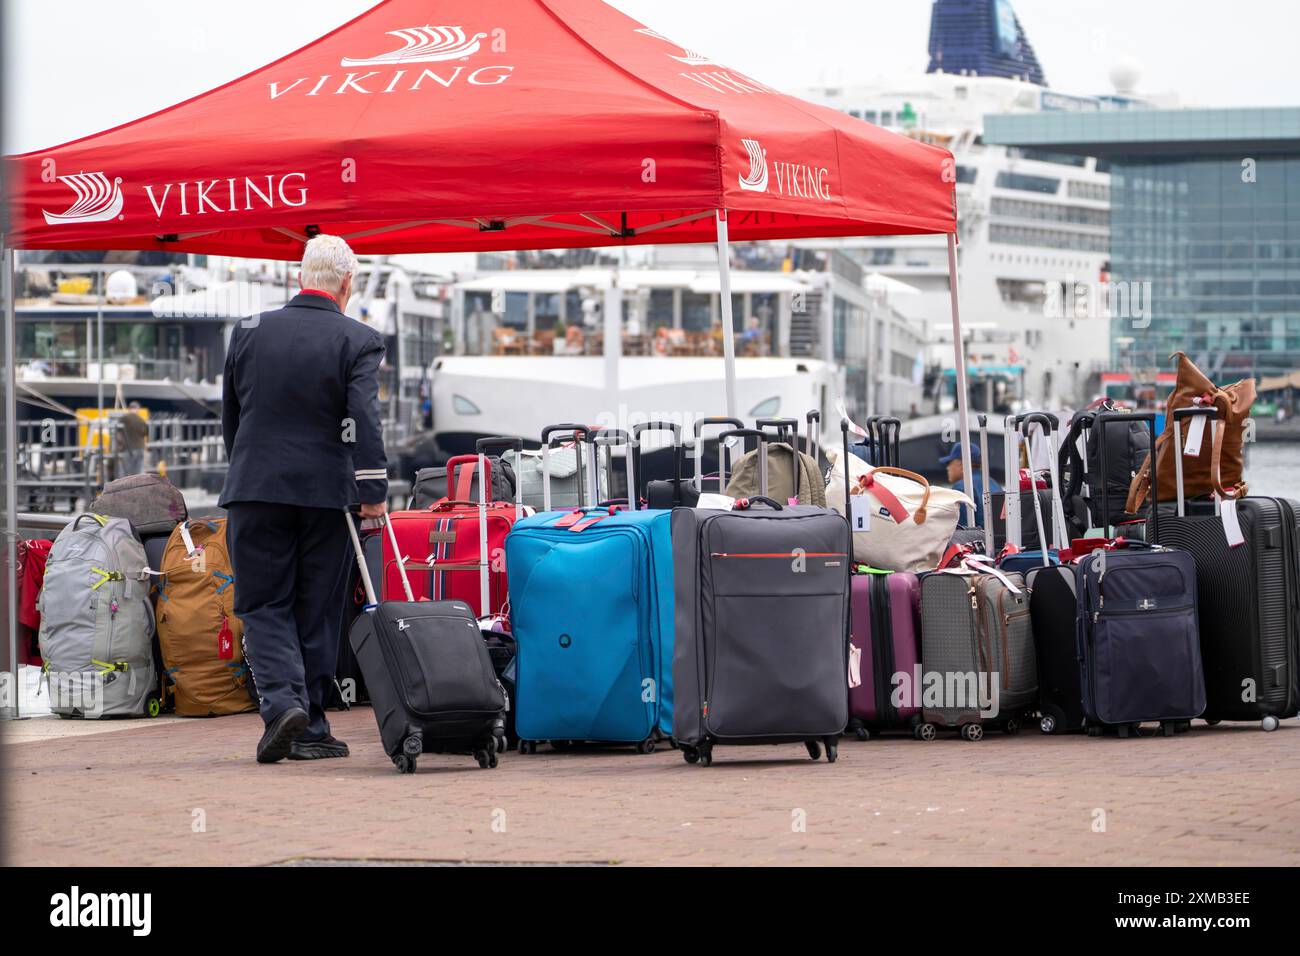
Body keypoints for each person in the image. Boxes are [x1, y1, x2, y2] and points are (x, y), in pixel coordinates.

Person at [220, 234, 388, 764]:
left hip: (255, 487)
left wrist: (248, 471)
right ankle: (311, 725)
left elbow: (233, 416)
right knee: (317, 610)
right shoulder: (358, 338)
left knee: (263, 605)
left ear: (300, 278)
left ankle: (282, 704)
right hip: (325, 495)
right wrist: (374, 491)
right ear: (347, 284)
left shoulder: (247, 331)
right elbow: (364, 417)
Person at [940, 442, 1000, 529]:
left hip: (978, 540)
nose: (947, 468)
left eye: (949, 463)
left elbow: (960, 529)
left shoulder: (961, 488)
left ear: (960, 464)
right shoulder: (994, 484)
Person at [118, 402, 149, 475]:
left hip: (127, 449)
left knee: (125, 473)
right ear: (137, 409)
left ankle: (125, 486)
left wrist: (119, 445)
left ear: (129, 408)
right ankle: (138, 486)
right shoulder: (141, 420)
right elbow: (145, 433)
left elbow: (118, 432)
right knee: (138, 472)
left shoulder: (124, 418)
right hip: (140, 448)